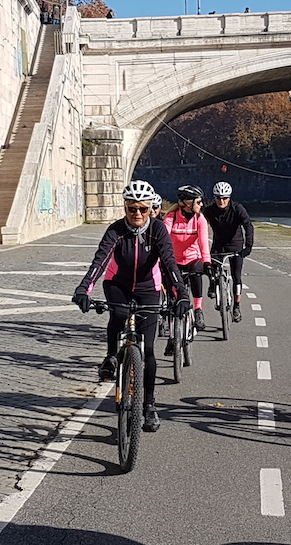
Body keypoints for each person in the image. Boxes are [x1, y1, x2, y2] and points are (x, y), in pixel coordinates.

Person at [73, 181, 193, 433]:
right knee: (118, 316)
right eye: (131, 208)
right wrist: (84, 289)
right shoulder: (116, 231)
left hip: (148, 287)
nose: (137, 214)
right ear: (125, 208)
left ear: (151, 209)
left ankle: (149, 405)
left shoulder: (158, 230)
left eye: (143, 209)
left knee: (148, 349)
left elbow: (169, 264)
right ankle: (110, 357)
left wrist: (181, 294)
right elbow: (100, 261)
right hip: (118, 283)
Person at [162, 185, 212, 339]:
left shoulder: (200, 219)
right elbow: (163, 242)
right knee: (173, 299)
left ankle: (198, 310)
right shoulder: (171, 218)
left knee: (196, 273)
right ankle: (172, 336)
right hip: (174, 260)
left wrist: (207, 263)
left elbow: (203, 243)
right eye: (198, 202)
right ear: (188, 203)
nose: (201, 205)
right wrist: (160, 260)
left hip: (192, 258)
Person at [201, 181, 254, 324]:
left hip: (235, 245)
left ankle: (236, 306)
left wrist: (248, 246)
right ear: (214, 198)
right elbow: (198, 222)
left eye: (224, 198)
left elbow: (248, 226)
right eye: (218, 198)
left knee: (236, 277)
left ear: (229, 198)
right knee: (209, 265)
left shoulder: (237, 209)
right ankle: (213, 284)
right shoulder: (210, 210)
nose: (221, 201)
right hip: (218, 245)